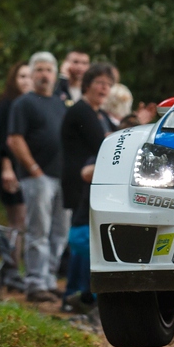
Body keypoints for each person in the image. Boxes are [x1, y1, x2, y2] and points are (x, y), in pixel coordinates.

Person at [7, 52, 70, 303]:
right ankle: (34, 282)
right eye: (40, 70)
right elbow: (14, 138)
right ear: (32, 74)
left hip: (62, 177)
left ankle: (49, 279)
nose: (44, 75)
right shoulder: (23, 103)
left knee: (59, 232)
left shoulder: (59, 103)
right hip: (37, 177)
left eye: (48, 70)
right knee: (38, 230)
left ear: (55, 75)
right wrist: (33, 168)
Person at [60, 63, 117, 312]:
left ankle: (77, 295)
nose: (104, 88)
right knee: (82, 236)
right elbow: (106, 145)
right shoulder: (81, 111)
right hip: (78, 181)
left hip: (91, 184)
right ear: (88, 84)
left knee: (85, 236)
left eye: (108, 84)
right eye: (100, 83)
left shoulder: (99, 114)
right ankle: (74, 295)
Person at [0, 62, 33, 292]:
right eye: (21, 76)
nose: (26, 81)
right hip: (9, 170)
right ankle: (10, 270)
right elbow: (3, 142)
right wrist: (7, 167)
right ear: (13, 79)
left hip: (26, 171)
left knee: (24, 223)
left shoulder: (31, 105)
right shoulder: (8, 105)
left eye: (29, 76)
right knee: (17, 222)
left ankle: (11, 269)